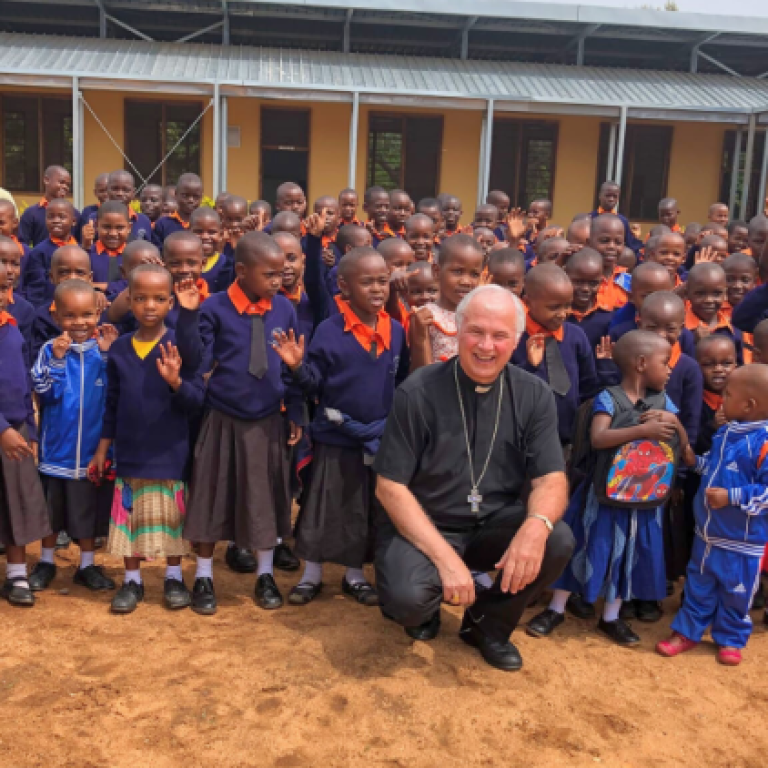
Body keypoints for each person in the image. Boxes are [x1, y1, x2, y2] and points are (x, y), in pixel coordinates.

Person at [374, 284, 573, 670]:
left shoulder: (534, 395)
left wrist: (535, 527)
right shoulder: (418, 392)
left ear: (515, 341)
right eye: (476, 332)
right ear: (457, 330)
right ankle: (427, 610)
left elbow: (551, 478)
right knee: (407, 599)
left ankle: (486, 626)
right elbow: (390, 486)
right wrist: (447, 560)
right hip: (425, 524)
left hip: (493, 523)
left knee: (555, 539)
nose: (486, 346)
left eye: (500, 336)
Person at [527, 331, 694, 645]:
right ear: (642, 364)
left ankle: (611, 617)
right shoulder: (609, 397)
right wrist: (643, 429)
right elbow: (598, 438)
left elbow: (685, 452)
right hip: (601, 496)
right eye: (665, 362)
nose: (670, 369)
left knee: (629, 555)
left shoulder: (665, 403)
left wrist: (676, 424)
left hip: (644, 500)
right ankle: (556, 607)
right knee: (586, 545)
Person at [272, 247, 410, 607]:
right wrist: (298, 367)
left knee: (360, 507)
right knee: (323, 506)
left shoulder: (395, 330)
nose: (378, 289)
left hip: (376, 438)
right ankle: (311, 574)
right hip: (336, 434)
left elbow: (402, 381)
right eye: (367, 282)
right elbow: (315, 386)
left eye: (382, 281)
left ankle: (353, 575)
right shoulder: (329, 331)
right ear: (345, 287)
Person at [182, 232, 305, 614]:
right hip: (222, 418)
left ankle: (264, 574)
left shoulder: (284, 309)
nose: (277, 280)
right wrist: (187, 315)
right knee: (210, 497)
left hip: (267, 419)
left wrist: (296, 411)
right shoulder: (214, 308)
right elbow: (193, 360)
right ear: (240, 271)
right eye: (269, 274)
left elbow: (291, 367)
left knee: (265, 499)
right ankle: (203, 575)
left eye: (281, 273)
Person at [90, 264, 203, 614]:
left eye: (158, 299)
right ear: (129, 301)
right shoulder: (121, 349)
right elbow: (111, 403)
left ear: (170, 303)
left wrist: (175, 383)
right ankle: (132, 582)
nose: (148, 306)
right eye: (139, 298)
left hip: (170, 449)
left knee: (171, 518)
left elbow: (196, 400)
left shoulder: (178, 345)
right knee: (130, 519)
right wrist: (103, 448)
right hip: (130, 450)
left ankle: (173, 577)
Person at [657, 364, 768, 666]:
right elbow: (713, 470)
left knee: (737, 594)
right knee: (697, 586)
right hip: (707, 535)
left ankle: (730, 639)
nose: (721, 400)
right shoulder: (726, 433)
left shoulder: (763, 442)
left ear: (749, 405)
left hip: (742, 542)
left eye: (727, 395)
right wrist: (694, 461)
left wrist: (731, 497)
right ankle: (687, 633)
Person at [28, 281, 118, 593]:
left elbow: (113, 396)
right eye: (70, 316)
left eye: (86, 315)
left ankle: (87, 564)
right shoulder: (49, 350)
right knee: (52, 513)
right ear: (57, 318)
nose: (79, 323)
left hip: (92, 452)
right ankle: (46, 561)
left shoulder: (103, 352)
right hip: (56, 452)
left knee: (87, 513)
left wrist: (107, 356)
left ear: (98, 313)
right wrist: (55, 359)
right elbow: (44, 394)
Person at [0, 261, 51, 606]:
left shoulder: (12, 324)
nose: (7, 273)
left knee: (15, 502)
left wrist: (28, 426)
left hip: (15, 430)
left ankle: (17, 573)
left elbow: (23, 382)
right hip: (3, 429)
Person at [511, 264, 606, 448]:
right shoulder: (514, 337)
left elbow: (588, 387)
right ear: (528, 302)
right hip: (524, 438)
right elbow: (507, 387)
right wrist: (529, 366)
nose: (562, 314)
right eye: (554, 307)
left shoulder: (576, 336)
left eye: (567, 305)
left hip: (568, 438)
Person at [408, 234, 483, 370]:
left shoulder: (480, 315)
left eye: (474, 274)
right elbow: (419, 374)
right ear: (436, 272)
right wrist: (421, 338)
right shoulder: (426, 317)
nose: (466, 282)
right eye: (458, 271)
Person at [31, 245, 96, 363]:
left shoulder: (98, 310)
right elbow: (37, 359)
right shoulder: (42, 317)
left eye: (80, 272)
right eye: (64, 272)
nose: (72, 278)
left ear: (90, 278)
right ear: (51, 277)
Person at [24, 199, 78, 308]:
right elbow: (36, 287)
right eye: (50, 217)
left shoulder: (80, 250)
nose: (56, 221)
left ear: (73, 221)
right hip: (50, 306)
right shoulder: (39, 252)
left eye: (62, 217)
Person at [82, 170, 152, 245]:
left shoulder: (143, 220)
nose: (120, 193)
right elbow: (87, 248)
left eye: (126, 190)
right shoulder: (94, 218)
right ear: (107, 190)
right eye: (115, 189)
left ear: (133, 193)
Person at [564, 249, 615, 350]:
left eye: (593, 283)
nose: (585, 289)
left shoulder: (608, 318)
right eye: (578, 282)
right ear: (565, 276)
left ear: (601, 281)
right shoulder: (556, 316)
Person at [18, 165, 75, 248]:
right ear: (46, 180)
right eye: (61, 182)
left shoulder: (73, 213)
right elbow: (22, 245)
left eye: (68, 185)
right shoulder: (31, 213)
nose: (65, 187)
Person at [0, 236, 34, 365]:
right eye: (2, 262)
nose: (9, 270)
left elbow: (25, 357)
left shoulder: (25, 310)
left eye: (15, 264)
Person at [588, 214, 629, 309]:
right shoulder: (581, 279)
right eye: (604, 241)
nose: (612, 246)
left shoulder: (628, 282)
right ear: (588, 243)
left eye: (618, 242)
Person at [88, 201, 131, 290]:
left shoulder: (134, 256)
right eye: (106, 227)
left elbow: (133, 284)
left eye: (119, 228)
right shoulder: (86, 254)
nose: (113, 233)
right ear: (96, 226)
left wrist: (99, 286)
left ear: (129, 228)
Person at [152, 173, 203, 247]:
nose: (191, 200)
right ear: (176, 195)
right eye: (185, 195)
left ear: (201, 197)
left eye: (196, 196)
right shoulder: (163, 224)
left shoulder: (204, 224)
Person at [590, 181, 642, 254]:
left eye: (615, 196)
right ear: (599, 196)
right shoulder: (590, 218)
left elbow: (630, 244)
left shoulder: (622, 221)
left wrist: (635, 237)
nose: (611, 199)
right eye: (608, 195)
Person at [191, 206, 233, 294]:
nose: (205, 237)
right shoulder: (183, 264)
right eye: (198, 231)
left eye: (211, 232)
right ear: (188, 232)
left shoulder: (226, 264)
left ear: (221, 234)